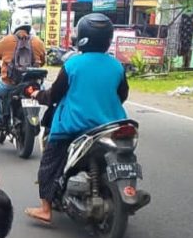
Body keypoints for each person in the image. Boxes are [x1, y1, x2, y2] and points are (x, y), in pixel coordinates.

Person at [22, 13, 128, 225]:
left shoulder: (73, 64)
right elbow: (122, 94)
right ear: (108, 39)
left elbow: (54, 96)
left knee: (48, 164)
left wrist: (35, 94)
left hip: (73, 127)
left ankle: (45, 209)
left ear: (82, 37)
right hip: (111, 125)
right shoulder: (117, 66)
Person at [0, 24, 46, 129]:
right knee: (42, 91)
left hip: (9, 84)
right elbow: (43, 61)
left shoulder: (6, 40)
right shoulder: (38, 42)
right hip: (33, 85)